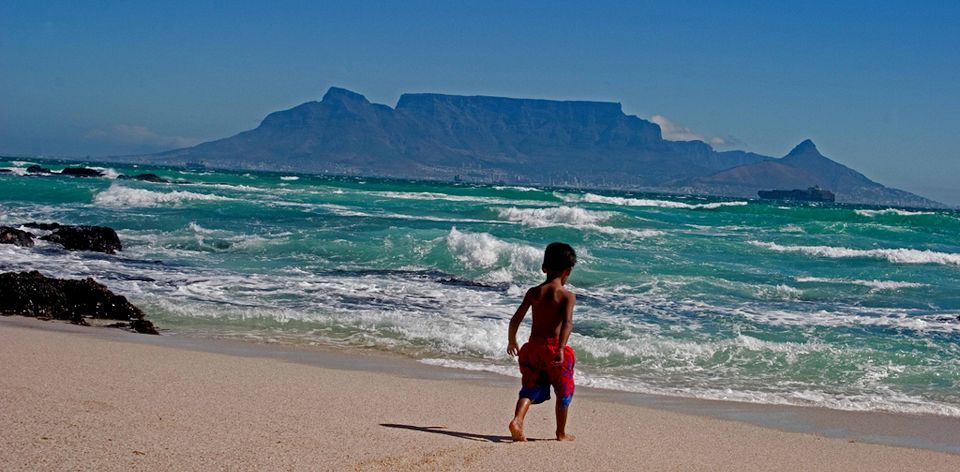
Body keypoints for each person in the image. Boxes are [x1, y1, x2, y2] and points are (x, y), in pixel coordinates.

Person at [506, 242, 577, 442]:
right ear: (568, 271)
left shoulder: (533, 292)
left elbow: (516, 318)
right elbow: (567, 324)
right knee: (564, 390)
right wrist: (562, 348)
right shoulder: (567, 295)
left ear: (544, 268)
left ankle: (517, 420)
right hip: (555, 349)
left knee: (530, 387)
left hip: (533, 348)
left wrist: (512, 340)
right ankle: (560, 433)